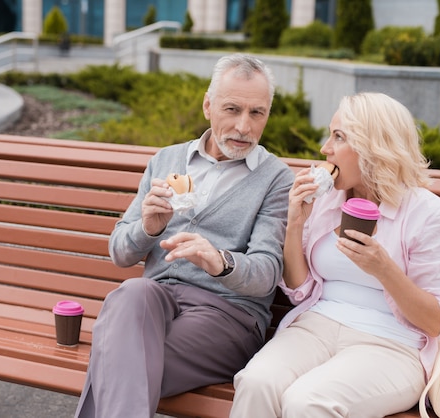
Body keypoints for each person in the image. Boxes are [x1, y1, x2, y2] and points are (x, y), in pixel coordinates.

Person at [74, 53, 294, 418]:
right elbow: (119, 254)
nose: (243, 126)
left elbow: (267, 271)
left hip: (226, 314)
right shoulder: (166, 160)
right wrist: (149, 228)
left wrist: (219, 261)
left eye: (257, 113)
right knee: (131, 291)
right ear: (208, 106)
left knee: (117, 357)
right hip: (153, 302)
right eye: (232, 109)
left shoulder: (276, 179)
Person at [230, 92, 440, 418]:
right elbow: (299, 290)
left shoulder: (432, 215)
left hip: (391, 345)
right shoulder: (325, 200)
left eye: (338, 137)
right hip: (315, 327)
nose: (325, 148)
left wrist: (383, 269)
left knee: (307, 402)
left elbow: (433, 321)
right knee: (256, 382)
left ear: (373, 147)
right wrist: (295, 221)